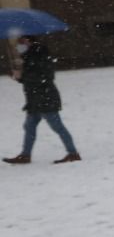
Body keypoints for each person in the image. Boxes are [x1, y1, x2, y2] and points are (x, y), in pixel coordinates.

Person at [4, 37, 80, 165]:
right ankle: (25, 155)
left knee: (57, 126)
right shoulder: (29, 56)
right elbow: (32, 77)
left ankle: (73, 153)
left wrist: (23, 75)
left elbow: (44, 77)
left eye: (21, 42)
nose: (19, 45)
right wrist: (18, 77)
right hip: (35, 99)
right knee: (29, 127)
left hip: (45, 98)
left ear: (28, 41)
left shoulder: (39, 54)